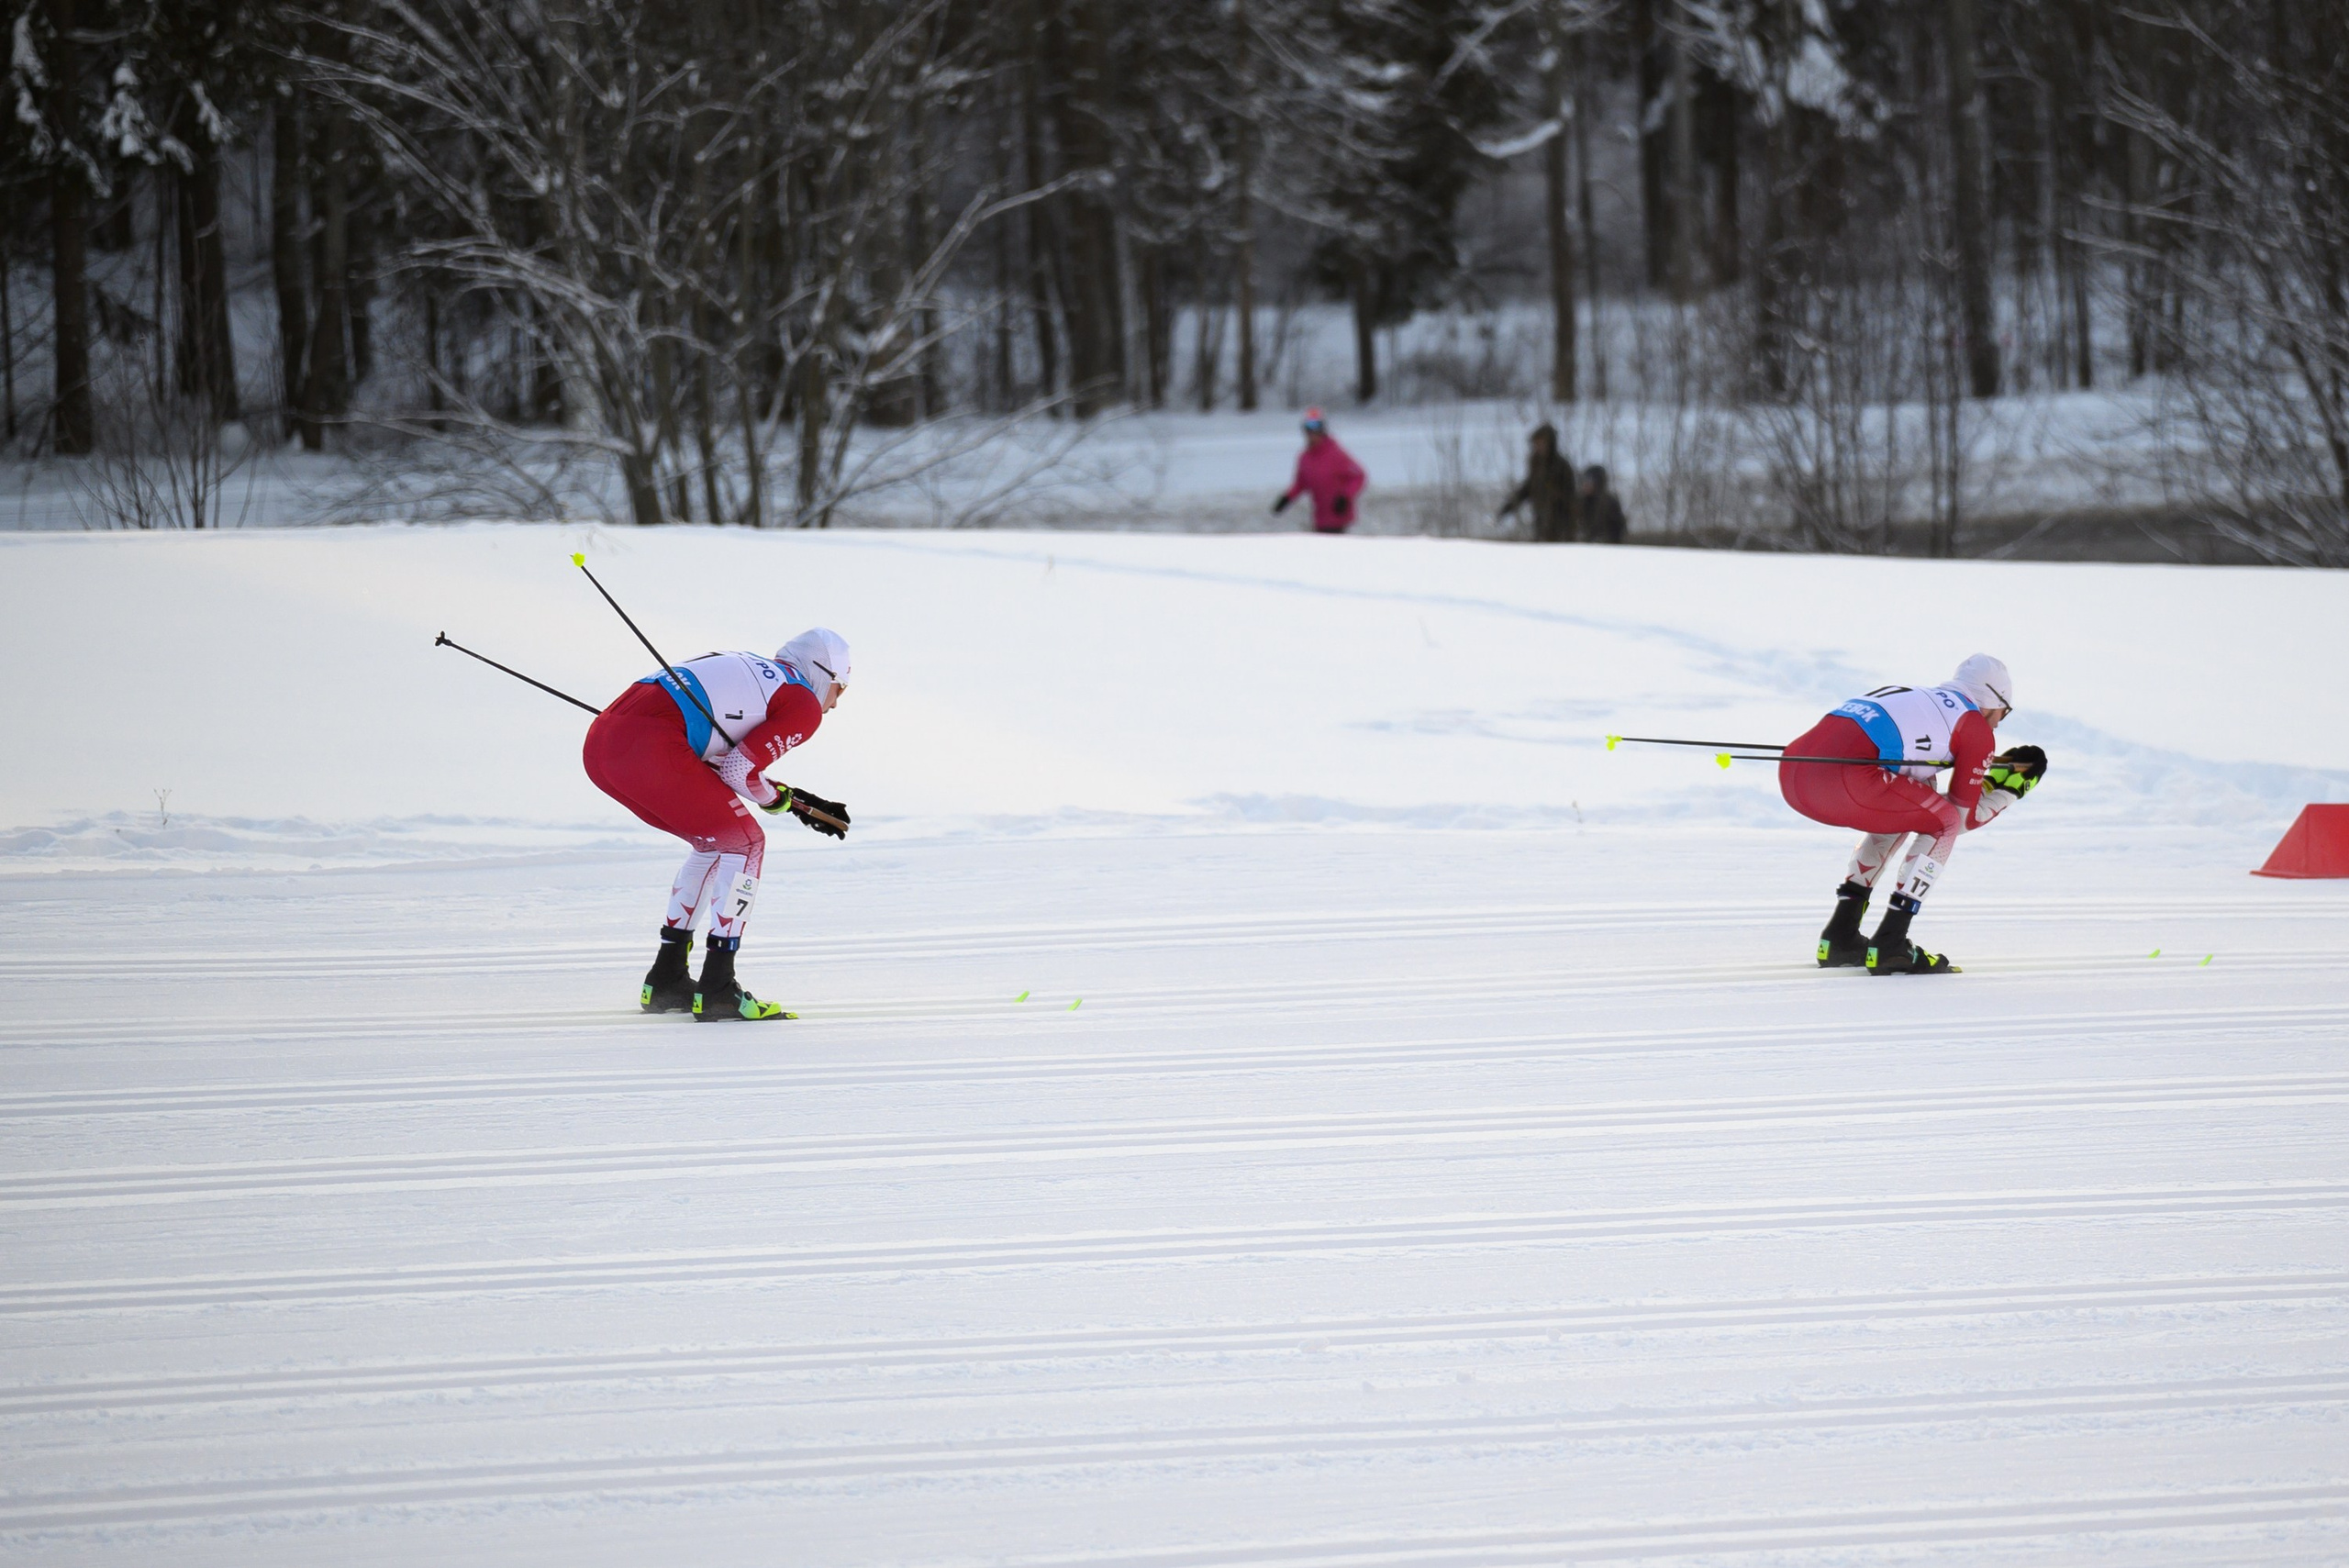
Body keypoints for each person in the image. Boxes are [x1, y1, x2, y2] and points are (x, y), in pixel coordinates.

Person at [582, 628, 852, 1021]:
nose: (835, 704)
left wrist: (789, 798)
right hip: (651, 748)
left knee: (714, 843)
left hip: (603, 746)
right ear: (823, 674)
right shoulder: (803, 702)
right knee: (746, 844)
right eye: (839, 689)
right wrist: (778, 803)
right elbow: (741, 771)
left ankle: (667, 977)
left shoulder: (760, 673)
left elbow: (721, 766)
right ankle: (718, 989)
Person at [1777, 654, 2047, 974]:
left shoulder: (1917, 696)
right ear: (1992, 701)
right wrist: (2007, 791)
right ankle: (1891, 943)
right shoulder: (1976, 727)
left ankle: (1841, 936)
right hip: (1844, 783)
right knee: (1943, 821)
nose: (2000, 722)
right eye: (2004, 711)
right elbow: (1961, 818)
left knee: (1911, 805)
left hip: (1793, 774)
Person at [1272, 407, 1366, 533]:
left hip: (1339, 517)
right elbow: (1301, 483)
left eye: (1316, 430)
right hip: (1320, 519)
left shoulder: (1336, 454)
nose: (1312, 435)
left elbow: (1358, 476)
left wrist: (1345, 497)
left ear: (1323, 431)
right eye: (1308, 430)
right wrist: (1286, 499)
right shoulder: (1305, 458)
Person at [1496, 424, 1577, 541]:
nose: (1538, 447)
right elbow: (1528, 489)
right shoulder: (1536, 463)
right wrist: (1509, 507)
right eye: (1536, 444)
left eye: (1541, 443)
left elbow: (1570, 498)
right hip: (1541, 522)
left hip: (1561, 524)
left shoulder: (1562, 467)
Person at [1579, 465, 1627, 544]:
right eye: (1585, 480)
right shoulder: (1580, 502)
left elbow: (1618, 531)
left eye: (1589, 481)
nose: (1585, 484)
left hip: (1605, 549)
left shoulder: (1610, 503)